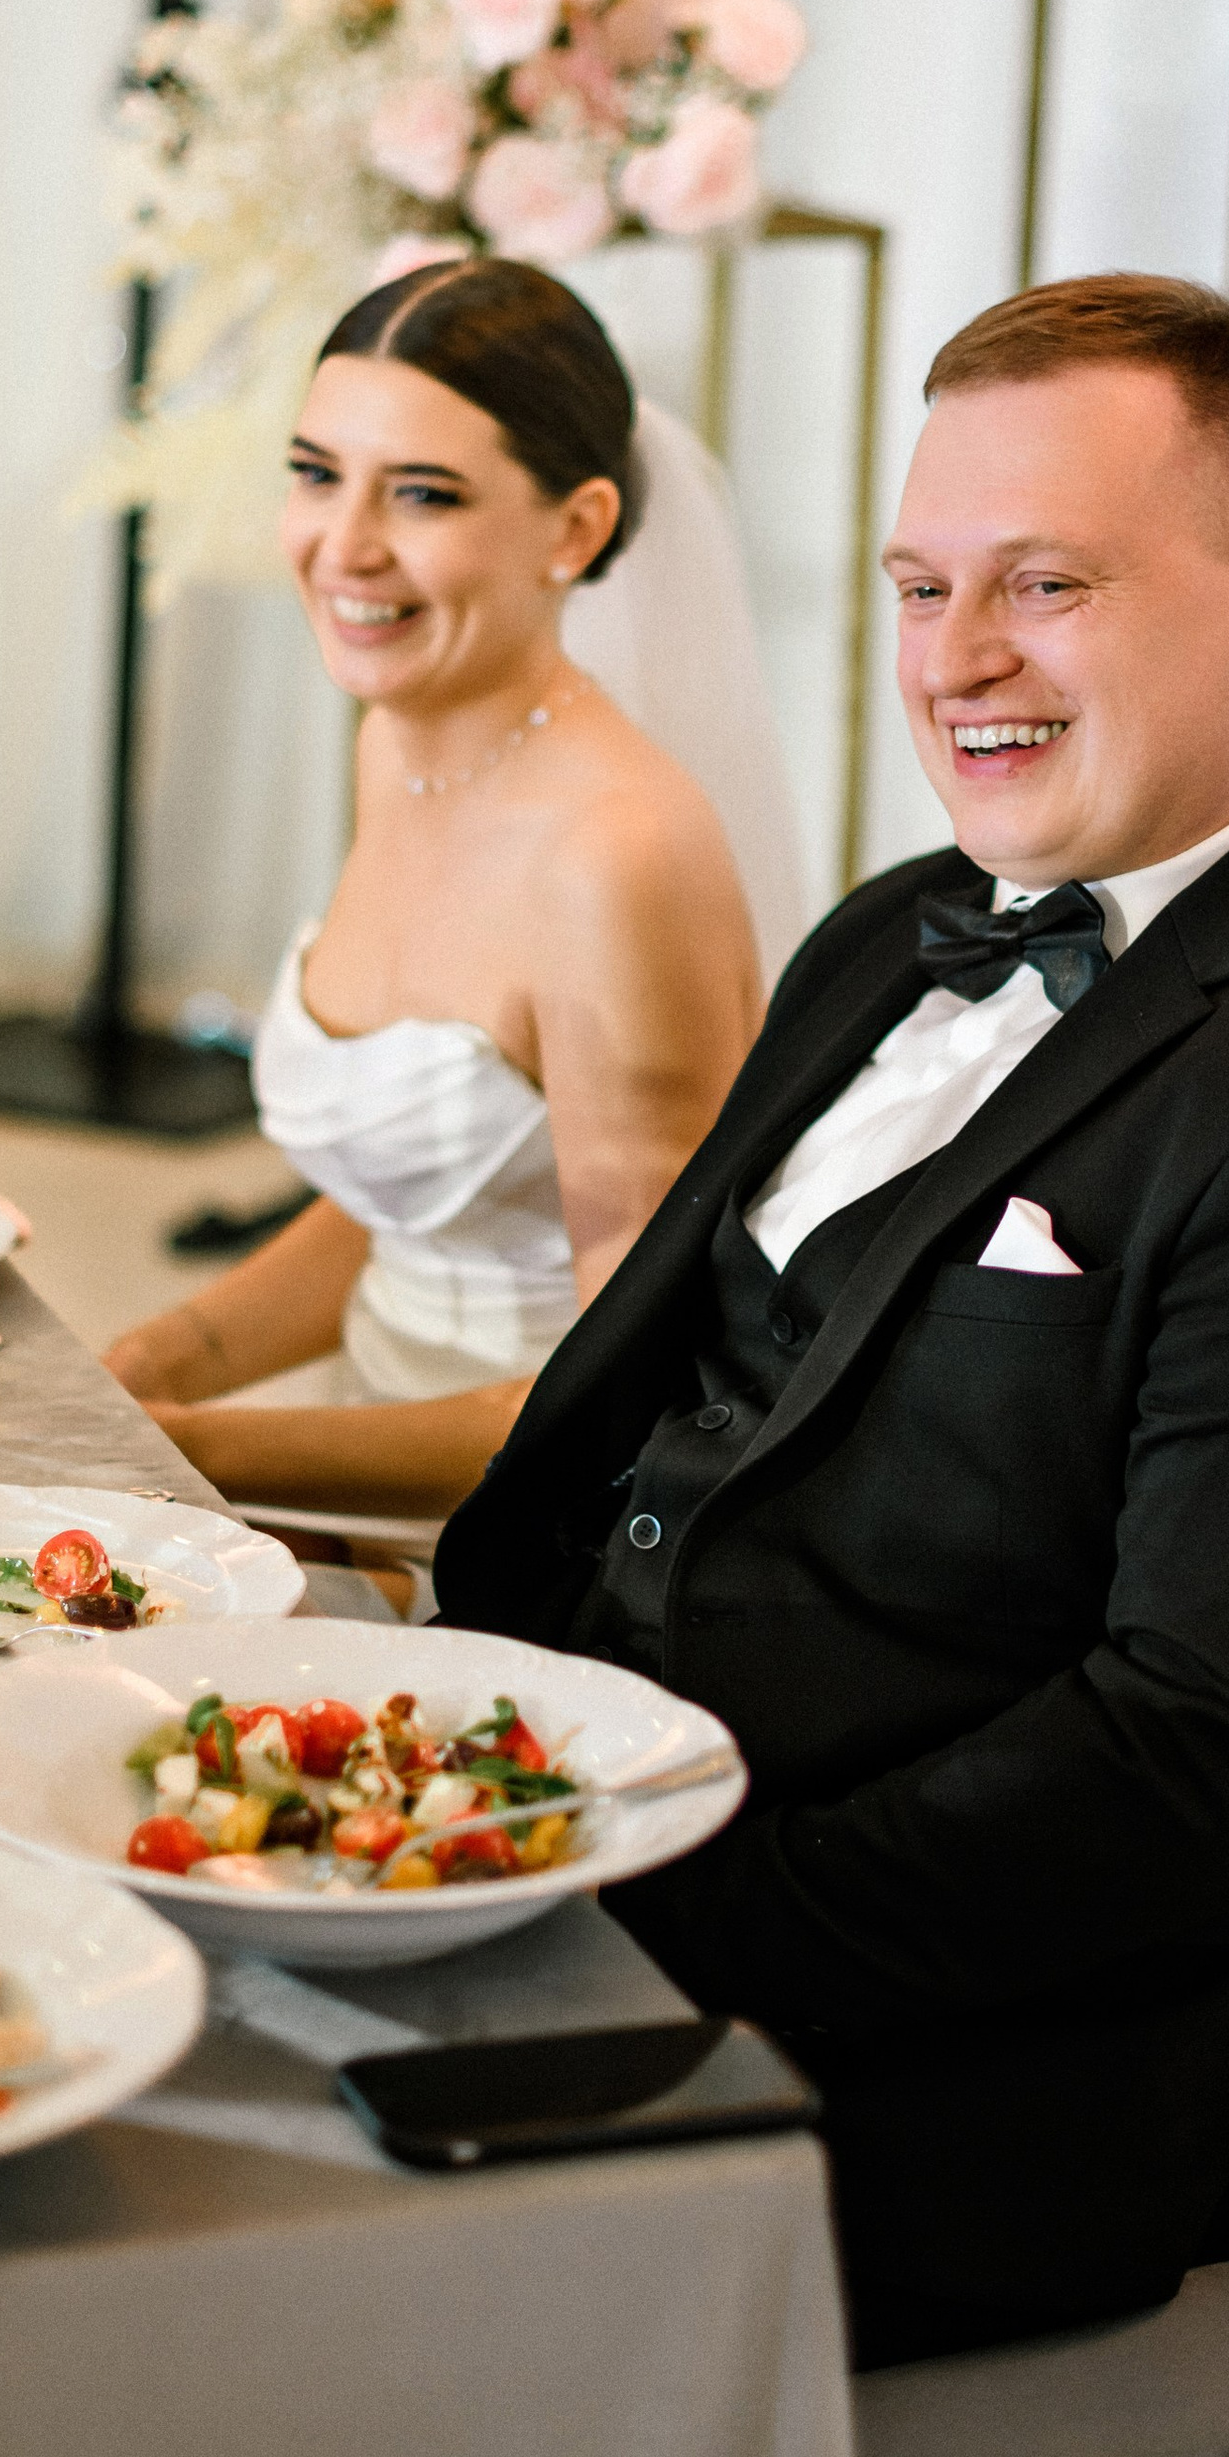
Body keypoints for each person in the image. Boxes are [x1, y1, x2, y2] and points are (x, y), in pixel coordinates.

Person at [434, 272, 1229, 2365]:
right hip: (572, 1838)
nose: (956, 660)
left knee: (169, 2225)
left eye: (1043, 584)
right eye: (915, 585)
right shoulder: (896, 933)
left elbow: (1177, 1768)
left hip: (916, 2079)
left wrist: (620, 1916)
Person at [106, 259, 769, 1524]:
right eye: (315, 474)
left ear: (574, 531)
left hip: (520, 1548)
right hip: (363, 1449)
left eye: (423, 494)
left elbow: (639, 1398)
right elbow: (411, 1202)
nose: (344, 547)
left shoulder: (614, 859)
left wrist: (207, 1456)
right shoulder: (399, 744)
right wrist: (154, 1365)